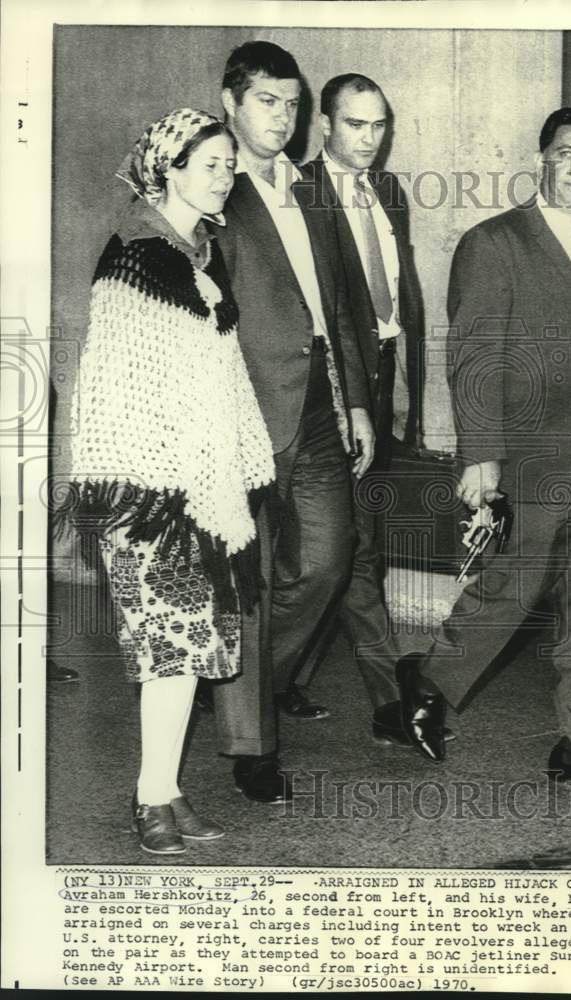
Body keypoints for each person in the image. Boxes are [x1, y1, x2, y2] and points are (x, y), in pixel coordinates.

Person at [395, 107, 571, 785]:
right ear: (541, 160)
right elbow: (475, 357)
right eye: (565, 153)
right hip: (532, 455)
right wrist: (481, 455)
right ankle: (430, 684)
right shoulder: (495, 242)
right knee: (512, 590)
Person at [57, 108, 275, 854]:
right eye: (212, 164)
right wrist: (159, 486)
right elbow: (117, 387)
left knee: (189, 648)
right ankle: (153, 799)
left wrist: (232, 467)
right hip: (148, 492)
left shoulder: (199, 256)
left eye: (229, 164)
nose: (227, 176)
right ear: (169, 170)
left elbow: (219, 373)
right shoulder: (138, 256)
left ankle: (163, 790)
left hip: (195, 488)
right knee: (168, 648)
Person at [214, 41, 374, 801]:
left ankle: (241, 685)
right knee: (248, 579)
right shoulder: (211, 191)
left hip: (319, 403)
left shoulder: (314, 191)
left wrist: (358, 403)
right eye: (268, 101)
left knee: (326, 562)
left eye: (292, 103)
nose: (283, 117)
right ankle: (252, 744)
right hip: (240, 407)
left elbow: (340, 305)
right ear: (231, 104)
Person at [296, 74, 432, 747]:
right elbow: (328, 311)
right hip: (327, 394)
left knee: (357, 545)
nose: (369, 140)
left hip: (381, 382)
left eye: (379, 125)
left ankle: (282, 679)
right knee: (342, 550)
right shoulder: (299, 195)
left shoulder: (390, 193)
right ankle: (384, 701)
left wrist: (404, 392)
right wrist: (353, 401)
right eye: (355, 125)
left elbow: (400, 303)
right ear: (324, 125)